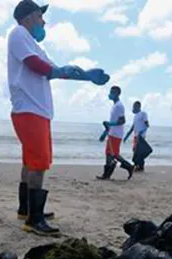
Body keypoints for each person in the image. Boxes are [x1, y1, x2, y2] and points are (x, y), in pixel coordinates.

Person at [8, 0, 110, 235]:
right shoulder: (18, 34)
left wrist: (86, 76)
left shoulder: (32, 43)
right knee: (39, 164)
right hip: (30, 109)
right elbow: (36, 65)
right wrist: (59, 70)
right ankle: (34, 220)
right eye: (40, 16)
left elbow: (55, 70)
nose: (43, 21)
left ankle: (26, 209)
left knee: (30, 162)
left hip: (34, 110)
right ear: (29, 17)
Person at [97, 86, 134, 180]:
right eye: (110, 92)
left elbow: (122, 121)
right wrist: (105, 133)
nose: (110, 94)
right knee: (110, 153)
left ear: (118, 93)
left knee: (114, 154)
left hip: (116, 134)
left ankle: (129, 167)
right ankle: (107, 174)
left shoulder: (119, 106)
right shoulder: (114, 106)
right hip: (112, 133)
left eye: (112, 92)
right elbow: (112, 122)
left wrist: (109, 124)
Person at [124, 101, 150, 171]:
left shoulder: (143, 114)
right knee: (135, 150)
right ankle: (137, 165)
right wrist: (127, 136)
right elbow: (133, 127)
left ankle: (139, 166)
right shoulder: (135, 116)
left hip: (141, 136)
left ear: (138, 106)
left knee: (139, 151)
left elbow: (147, 125)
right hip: (136, 136)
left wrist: (141, 132)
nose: (133, 108)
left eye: (134, 106)